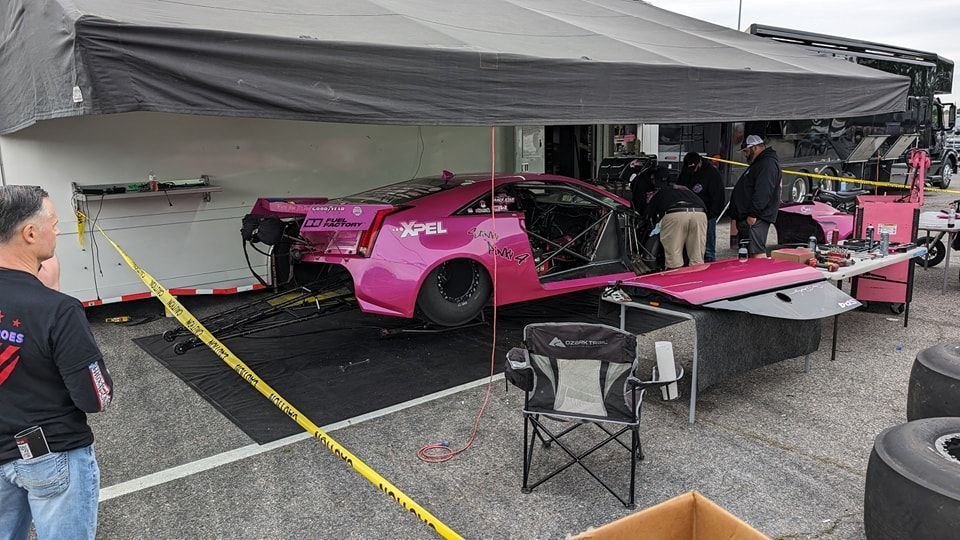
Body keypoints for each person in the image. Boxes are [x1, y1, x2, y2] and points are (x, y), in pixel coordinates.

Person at [0, 185, 113, 539]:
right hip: (52, 452)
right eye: (53, 222)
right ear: (30, 233)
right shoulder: (58, 310)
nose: (59, 230)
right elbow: (95, 398)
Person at [730, 135, 781, 258]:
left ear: (756, 147)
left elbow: (763, 191)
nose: (745, 155)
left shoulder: (767, 164)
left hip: (756, 218)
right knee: (749, 252)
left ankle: (760, 275)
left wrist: (753, 214)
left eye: (746, 151)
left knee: (756, 252)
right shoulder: (760, 163)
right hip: (752, 217)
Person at [646, 166, 707, 269]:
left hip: (675, 214)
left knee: (674, 256)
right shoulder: (685, 190)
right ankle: (697, 279)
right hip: (700, 214)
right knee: (697, 257)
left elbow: (648, 215)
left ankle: (676, 279)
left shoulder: (660, 193)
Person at [679, 152, 725, 262]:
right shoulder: (686, 170)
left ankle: (710, 263)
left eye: (694, 168)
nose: (692, 171)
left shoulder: (712, 173)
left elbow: (718, 196)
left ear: (699, 163)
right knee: (689, 243)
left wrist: (711, 214)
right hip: (687, 212)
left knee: (708, 247)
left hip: (707, 213)